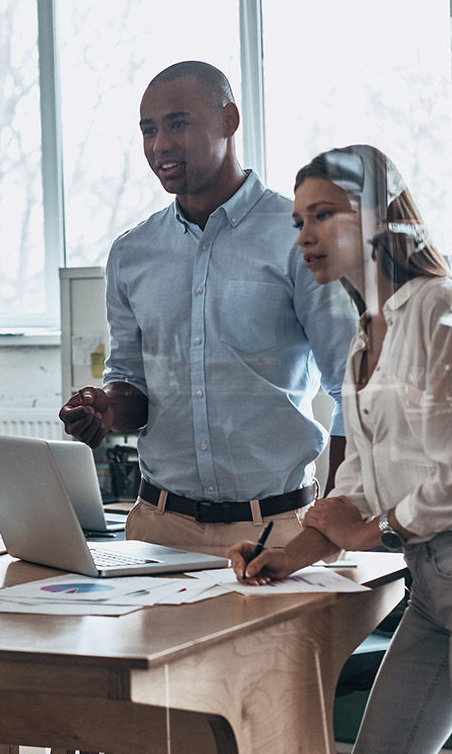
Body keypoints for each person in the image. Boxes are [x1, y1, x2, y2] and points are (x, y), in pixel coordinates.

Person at [229, 144, 452, 753]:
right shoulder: (366, 334)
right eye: (299, 220)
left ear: (379, 216)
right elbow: (357, 473)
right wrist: (289, 556)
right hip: (432, 590)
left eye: (325, 215)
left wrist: (374, 533)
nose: (305, 235)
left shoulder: (445, 309)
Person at [58, 61, 356, 555]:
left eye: (178, 123)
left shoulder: (297, 236)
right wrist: (108, 408)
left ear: (229, 120)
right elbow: (130, 379)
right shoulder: (132, 252)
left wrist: (335, 523)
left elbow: (351, 387)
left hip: (277, 529)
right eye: (148, 131)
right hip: (159, 529)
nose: (159, 146)